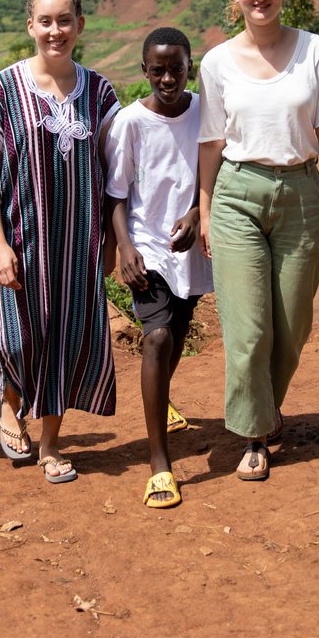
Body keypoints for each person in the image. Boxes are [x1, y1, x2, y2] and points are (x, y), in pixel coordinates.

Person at [197, 0, 319, 481]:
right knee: (248, 328)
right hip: (238, 193)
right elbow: (212, 142)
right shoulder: (215, 62)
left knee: (291, 325)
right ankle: (254, 435)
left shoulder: (315, 51)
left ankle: (267, 406)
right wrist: (206, 210)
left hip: (302, 194)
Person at [0, 0, 119, 484]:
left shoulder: (99, 92)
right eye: (45, 22)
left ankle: (51, 445)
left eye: (65, 21)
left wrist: (110, 239)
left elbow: (115, 174)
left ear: (79, 25)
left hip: (78, 245)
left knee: (66, 337)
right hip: (19, 239)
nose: (55, 31)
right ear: (29, 24)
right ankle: (10, 406)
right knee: (19, 336)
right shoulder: (4, 89)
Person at [106, 27, 213, 508]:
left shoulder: (205, 113)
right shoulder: (130, 122)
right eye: (157, 70)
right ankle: (159, 465)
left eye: (176, 68)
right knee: (158, 336)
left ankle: (161, 397)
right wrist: (124, 246)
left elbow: (215, 172)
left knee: (180, 328)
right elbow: (117, 193)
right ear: (144, 71)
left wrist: (196, 215)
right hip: (146, 245)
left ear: (190, 66)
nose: (167, 78)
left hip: (190, 246)